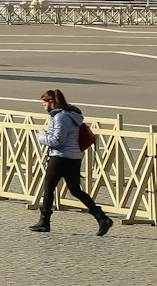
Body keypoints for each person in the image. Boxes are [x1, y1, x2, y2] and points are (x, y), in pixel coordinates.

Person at [30, 89, 112, 236]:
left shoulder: (60, 117)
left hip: (60, 157)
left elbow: (58, 141)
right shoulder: (72, 116)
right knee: (75, 190)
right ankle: (101, 217)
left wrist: (41, 136)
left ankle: (44, 222)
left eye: (44, 104)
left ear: (51, 103)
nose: (44, 108)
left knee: (49, 188)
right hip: (74, 157)